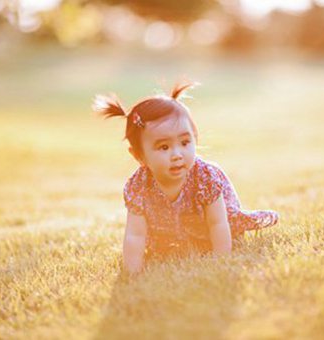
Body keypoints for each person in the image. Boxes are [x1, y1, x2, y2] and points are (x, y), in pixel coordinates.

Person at [92, 80, 279, 275]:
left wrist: (221, 260)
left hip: (212, 223)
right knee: (166, 250)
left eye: (184, 142)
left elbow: (218, 223)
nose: (177, 154)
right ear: (139, 156)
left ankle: (204, 243)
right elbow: (135, 235)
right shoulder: (138, 186)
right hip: (170, 230)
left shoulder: (204, 177)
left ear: (195, 139)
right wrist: (132, 272)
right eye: (164, 147)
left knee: (216, 235)